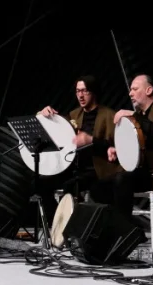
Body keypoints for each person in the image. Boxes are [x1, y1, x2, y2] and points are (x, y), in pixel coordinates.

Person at [99, 74, 153, 219]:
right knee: (100, 187)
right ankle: (122, 225)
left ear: (149, 90)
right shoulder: (139, 114)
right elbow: (138, 144)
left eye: (135, 89)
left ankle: (126, 231)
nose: (130, 93)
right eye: (130, 90)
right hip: (144, 171)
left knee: (122, 180)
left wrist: (132, 115)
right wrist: (118, 150)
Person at [39, 75, 121, 203]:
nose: (80, 95)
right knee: (41, 182)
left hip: (97, 168)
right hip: (74, 167)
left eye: (85, 91)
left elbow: (116, 147)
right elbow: (57, 128)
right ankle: (51, 220)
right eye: (78, 91)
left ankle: (77, 218)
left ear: (93, 92)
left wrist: (91, 140)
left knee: (71, 186)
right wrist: (43, 114)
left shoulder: (109, 115)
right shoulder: (74, 114)